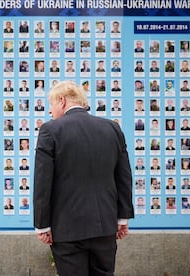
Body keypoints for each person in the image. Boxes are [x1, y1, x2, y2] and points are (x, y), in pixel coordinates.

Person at [34, 80, 134, 275]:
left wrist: (42, 224)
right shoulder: (112, 128)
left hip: (67, 229)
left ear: (61, 101)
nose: (49, 111)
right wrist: (122, 218)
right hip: (105, 225)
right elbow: (123, 176)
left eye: (51, 104)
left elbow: (43, 181)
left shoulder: (50, 130)